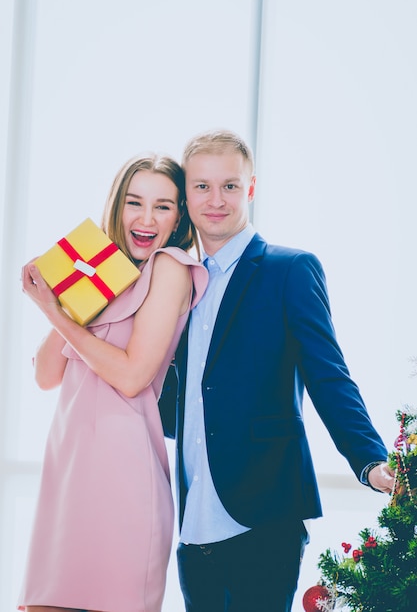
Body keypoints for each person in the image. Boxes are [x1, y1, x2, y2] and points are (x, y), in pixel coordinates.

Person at [158, 129, 395, 612]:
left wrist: (370, 461)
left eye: (229, 185)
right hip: (191, 525)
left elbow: (329, 374)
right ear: (186, 196)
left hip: (264, 516)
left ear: (251, 187)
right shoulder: (177, 280)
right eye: (202, 186)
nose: (216, 199)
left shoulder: (289, 269)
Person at [17, 153, 208, 612]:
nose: (145, 219)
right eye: (134, 202)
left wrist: (50, 310)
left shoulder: (172, 266)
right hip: (67, 479)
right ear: (116, 206)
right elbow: (46, 377)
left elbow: (131, 376)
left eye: (163, 206)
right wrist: (68, 293)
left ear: (180, 215)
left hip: (124, 478)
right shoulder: (106, 274)